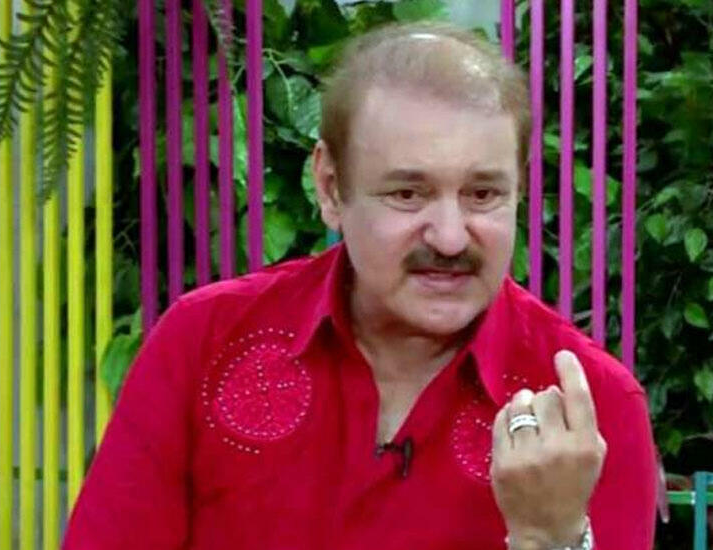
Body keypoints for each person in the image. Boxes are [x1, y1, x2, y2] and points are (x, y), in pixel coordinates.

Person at [62, 21, 657, 550]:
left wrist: (550, 540)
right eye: (408, 194)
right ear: (330, 186)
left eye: (483, 194)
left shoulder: (594, 410)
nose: (451, 237)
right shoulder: (205, 342)